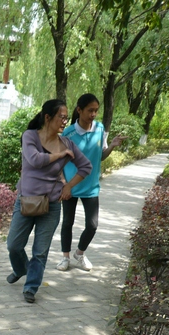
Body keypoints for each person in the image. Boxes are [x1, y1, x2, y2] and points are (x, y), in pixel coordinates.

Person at [6, 99, 92, 303]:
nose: (65, 121)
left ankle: (31, 286)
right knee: (13, 245)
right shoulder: (30, 136)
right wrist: (61, 155)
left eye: (66, 117)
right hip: (26, 201)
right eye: (61, 117)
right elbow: (34, 159)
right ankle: (21, 269)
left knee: (40, 251)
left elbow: (85, 167)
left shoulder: (68, 143)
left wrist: (68, 186)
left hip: (51, 205)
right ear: (47, 117)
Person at [57, 93, 126, 272]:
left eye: (96, 111)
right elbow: (59, 162)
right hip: (71, 187)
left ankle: (79, 253)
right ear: (79, 110)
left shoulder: (100, 128)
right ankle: (65, 258)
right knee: (67, 223)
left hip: (91, 187)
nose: (93, 114)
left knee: (92, 225)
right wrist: (65, 184)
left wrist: (111, 146)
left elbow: (100, 156)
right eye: (90, 110)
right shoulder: (68, 133)